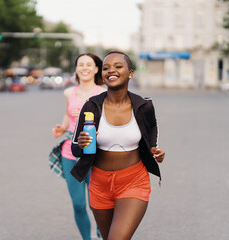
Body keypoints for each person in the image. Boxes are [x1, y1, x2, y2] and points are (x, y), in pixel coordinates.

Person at [70, 51, 165, 240]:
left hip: (133, 181)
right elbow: (75, 148)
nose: (111, 70)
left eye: (118, 66)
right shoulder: (91, 106)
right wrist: (81, 143)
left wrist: (156, 152)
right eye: (106, 68)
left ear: (130, 73)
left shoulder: (143, 106)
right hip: (100, 184)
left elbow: (151, 141)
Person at [51, 53, 105, 240]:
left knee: (96, 203)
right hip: (70, 153)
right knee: (79, 204)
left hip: (96, 155)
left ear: (96, 69)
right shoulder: (68, 93)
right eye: (80, 64)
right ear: (76, 69)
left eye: (89, 65)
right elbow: (68, 115)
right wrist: (62, 127)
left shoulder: (102, 94)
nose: (84, 68)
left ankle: (102, 229)